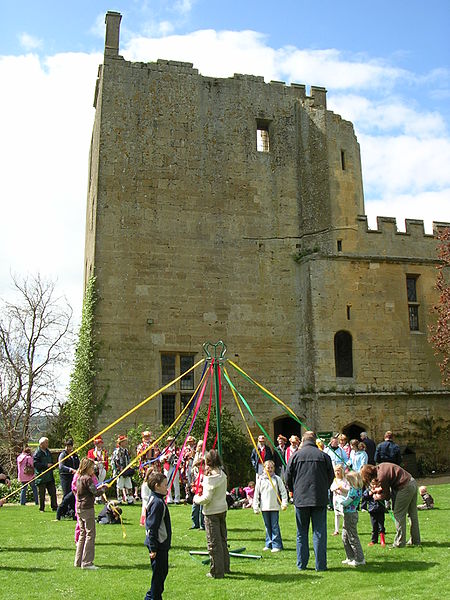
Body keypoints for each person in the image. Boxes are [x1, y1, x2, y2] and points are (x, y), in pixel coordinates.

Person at [286, 431, 334, 572]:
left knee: (301, 532)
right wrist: (323, 487)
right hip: (319, 498)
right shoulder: (323, 456)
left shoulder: (295, 456)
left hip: (301, 499)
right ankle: (320, 565)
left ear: (302, 440)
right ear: (314, 440)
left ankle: (302, 564)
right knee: (319, 532)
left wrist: (293, 490)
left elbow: (288, 477)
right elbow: (330, 476)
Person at [361, 463, 421, 547]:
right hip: (412, 482)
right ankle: (416, 540)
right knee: (412, 514)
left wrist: (377, 497)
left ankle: (399, 543)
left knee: (398, 514)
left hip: (404, 487)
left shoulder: (381, 476)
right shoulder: (381, 466)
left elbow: (387, 496)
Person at [193, 449, 230, 579]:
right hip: (222, 509)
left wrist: (196, 499)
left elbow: (207, 498)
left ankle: (217, 572)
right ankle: (225, 567)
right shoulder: (222, 474)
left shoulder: (210, 478)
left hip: (212, 512)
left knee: (214, 543)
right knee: (222, 540)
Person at [74, 458, 106, 569]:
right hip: (87, 508)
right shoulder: (88, 479)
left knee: (82, 534)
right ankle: (87, 562)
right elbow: (95, 492)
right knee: (90, 534)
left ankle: (78, 561)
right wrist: (103, 489)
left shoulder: (79, 478)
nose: (94, 469)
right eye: (92, 467)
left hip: (79, 508)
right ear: (87, 467)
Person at [144, 472, 172, 600]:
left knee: (162, 573)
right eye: (165, 485)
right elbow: (152, 527)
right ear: (157, 486)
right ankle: (152, 597)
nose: (167, 487)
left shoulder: (158, 500)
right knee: (159, 574)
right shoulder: (157, 503)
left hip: (161, 544)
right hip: (158, 545)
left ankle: (153, 596)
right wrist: (153, 548)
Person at [253, 460, 288, 552]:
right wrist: (255, 506)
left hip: (274, 506)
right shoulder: (260, 480)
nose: (270, 469)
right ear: (264, 468)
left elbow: (283, 492)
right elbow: (256, 494)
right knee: (267, 525)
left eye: (271, 468)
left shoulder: (277, 479)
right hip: (264, 507)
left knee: (274, 525)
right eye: (268, 468)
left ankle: (277, 545)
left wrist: (284, 503)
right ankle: (268, 543)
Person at [341, 471, 365, 567]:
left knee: (352, 537)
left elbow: (347, 502)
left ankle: (360, 559)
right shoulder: (353, 489)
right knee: (345, 536)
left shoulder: (355, 491)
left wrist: (340, 502)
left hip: (351, 515)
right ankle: (350, 556)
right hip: (347, 514)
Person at [34, 437, 57, 512]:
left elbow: (51, 460)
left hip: (49, 476)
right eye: (46, 442)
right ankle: (42, 508)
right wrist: (46, 465)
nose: (47, 444)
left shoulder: (48, 452)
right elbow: (35, 464)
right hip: (41, 476)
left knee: (53, 492)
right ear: (41, 444)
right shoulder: (37, 453)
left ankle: (54, 506)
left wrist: (53, 466)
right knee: (42, 494)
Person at [111, 435, 134, 504]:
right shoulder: (117, 451)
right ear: (120, 443)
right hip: (120, 472)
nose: (126, 443)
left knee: (129, 484)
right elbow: (115, 461)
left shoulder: (126, 450)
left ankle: (130, 499)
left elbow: (128, 460)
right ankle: (119, 499)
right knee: (120, 485)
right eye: (124, 442)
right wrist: (119, 470)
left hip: (126, 470)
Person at [362, 480, 386, 546]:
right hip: (372, 510)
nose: (375, 486)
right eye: (373, 484)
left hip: (380, 510)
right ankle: (374, 540)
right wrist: (370, 494)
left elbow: (386, 495)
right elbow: (364, 497)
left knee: (381, 526)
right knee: (374, 526)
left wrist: (380, 496)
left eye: (376, 484)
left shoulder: (381, 490)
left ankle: (382, 540)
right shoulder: (368, 490)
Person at [330, 464, 349, 536]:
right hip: (336, 499)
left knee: (344, 514)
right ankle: (336, 530)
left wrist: (342, 489)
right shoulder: (335, 480)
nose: (337, 473)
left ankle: (345, 529)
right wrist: (336, 489)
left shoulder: (345, 480)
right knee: (336, 514)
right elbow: (331, 488)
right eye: (336, 471)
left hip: (343, 499)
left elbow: (348, 490)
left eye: (339, 471)